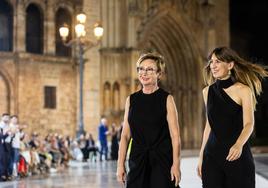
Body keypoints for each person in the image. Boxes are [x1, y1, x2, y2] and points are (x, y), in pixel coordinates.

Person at [197, 46, 268, 188]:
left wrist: (238, 144)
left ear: (230, 65)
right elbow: (209, 126)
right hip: (212, 157)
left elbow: (249, 124)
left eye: (218, 61)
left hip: (237, 155)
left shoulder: (243, 90)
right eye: (211, 62)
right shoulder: (207, 91)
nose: (213, 65)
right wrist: (201, 157)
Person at [117, 53, 181, 188]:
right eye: (141, 69)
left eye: (150, 69)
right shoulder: (131, 100)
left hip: (162, 160)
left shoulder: (167, 99)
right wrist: (120, 164)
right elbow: (125, 135)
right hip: (137, 160)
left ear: (159, 74)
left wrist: (176, 165)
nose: (144, 73)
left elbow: (175, 136)